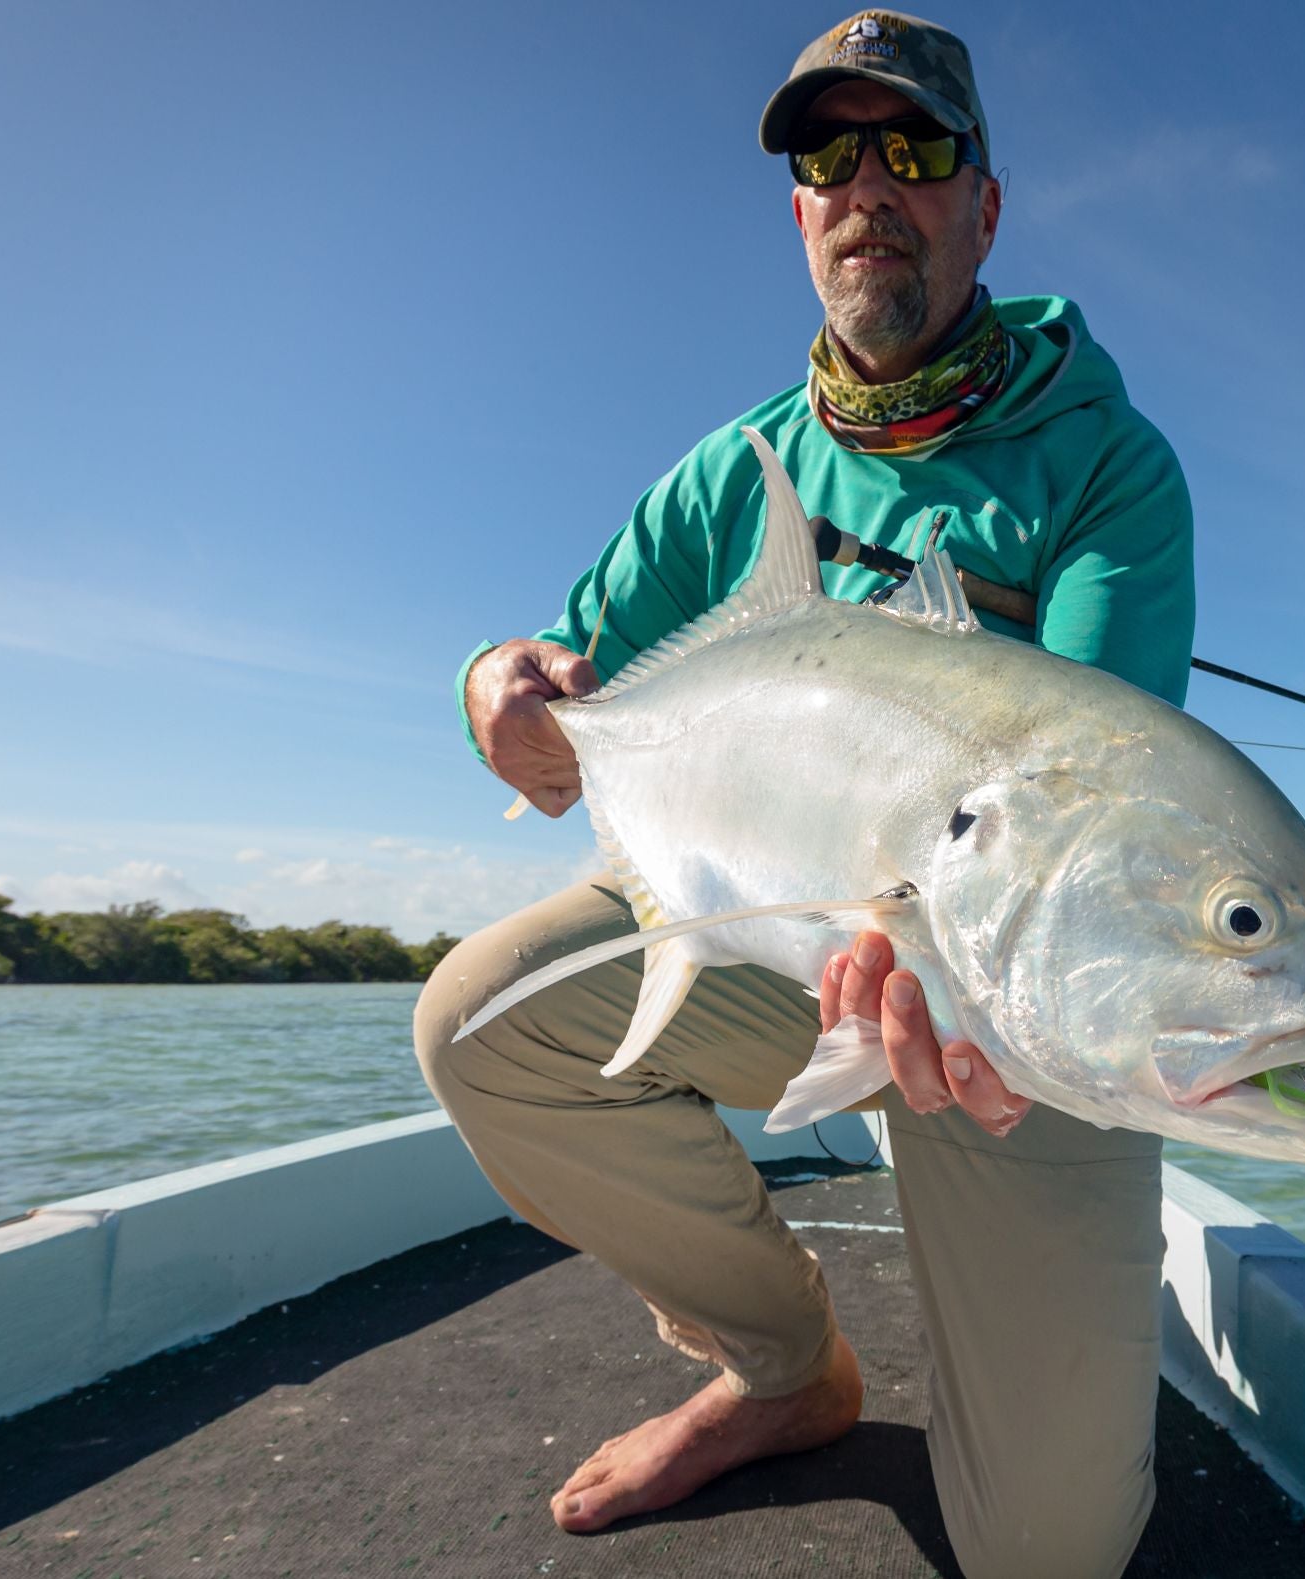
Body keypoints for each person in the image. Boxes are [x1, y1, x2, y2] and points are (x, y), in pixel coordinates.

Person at [412, 12, 1194, 1577]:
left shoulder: (1109, 470)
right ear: (797, 212)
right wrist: (493, 690)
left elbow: (1103, 794)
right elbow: (569, 681)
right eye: (827, 156)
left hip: (996, 1012)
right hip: (774, 945)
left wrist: (985, 1005)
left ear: (985, 201)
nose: (868, 186)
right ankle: (780, 1370)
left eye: (914, 149)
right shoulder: (729, 480)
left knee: (1048, 1553)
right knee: (487, 1024)